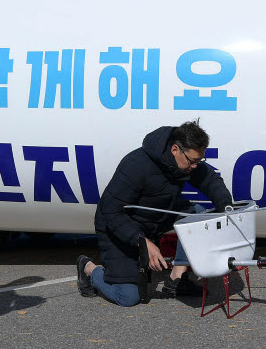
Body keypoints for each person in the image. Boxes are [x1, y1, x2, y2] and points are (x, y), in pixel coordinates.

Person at [77, 120, 234, 306]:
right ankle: (89, 268)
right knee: (128, 297)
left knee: (198, 216)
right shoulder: (136, 165)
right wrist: (143, 242)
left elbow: (210, 180)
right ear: (175, 149)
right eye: (192, 161)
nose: (195, 166)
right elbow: (111, 212)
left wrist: (226, 207)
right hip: (119, 226)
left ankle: (177, 278)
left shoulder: (186, 161)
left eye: (199, 161)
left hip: (156, 218)